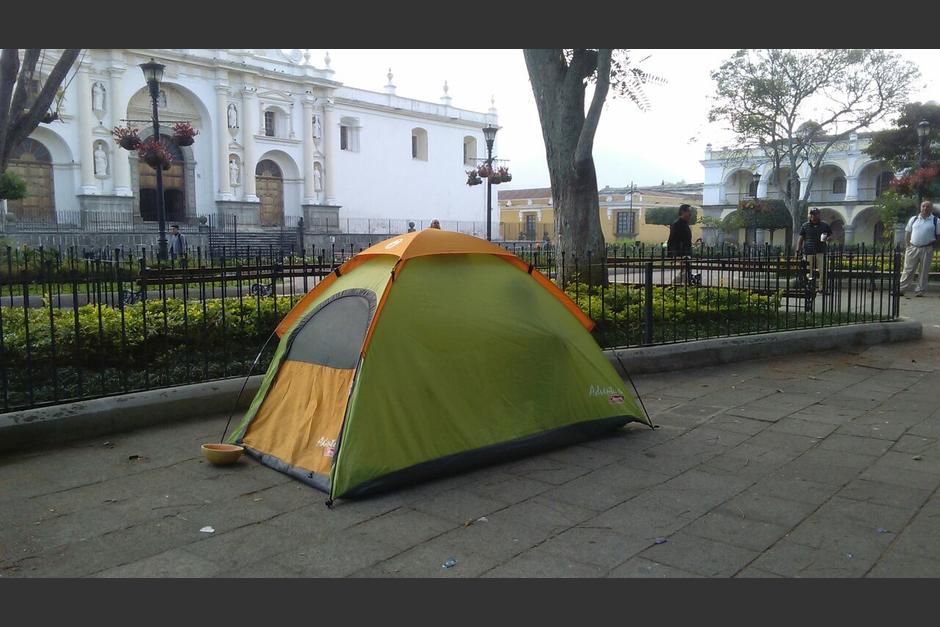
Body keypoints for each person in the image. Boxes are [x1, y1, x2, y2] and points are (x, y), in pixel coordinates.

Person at [899, 200, 940, 297]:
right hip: (912, 247)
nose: (925, 208)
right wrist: (907, 246)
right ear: (920, 207)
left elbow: (938, 236)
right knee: (908, 270)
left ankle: (920, 290)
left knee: (924, 270)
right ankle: (901, 289)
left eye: (928, 206)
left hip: (927, 248)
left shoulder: (936, 221)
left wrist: (932, 244)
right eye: (923, 206)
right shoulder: (913, 219)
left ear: (931, 208)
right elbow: (907, 233)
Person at [796, 208, 833, 294]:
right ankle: (809, 288)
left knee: (823, 271)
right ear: (810, 215)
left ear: (819, 215)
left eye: (816, 214)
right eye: (813, 214)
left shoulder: (825, 225)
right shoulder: (805, 226)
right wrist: (798, 250)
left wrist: (828, 238)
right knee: (809, 271)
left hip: (821, 250)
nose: (814, 216)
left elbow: (830, 235)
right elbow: (800, 238)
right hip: (809, 251)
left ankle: (822, 288)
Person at [667, 204, 694, 284]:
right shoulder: (677, 224)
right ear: (683, 212)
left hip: (685, 252)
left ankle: (675, 286)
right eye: (688, 211)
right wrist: (676, 253)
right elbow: (673, 239)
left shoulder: (685, 224)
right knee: (685, 271)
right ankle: (677, 286)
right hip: (681, 252)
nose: (690, 214)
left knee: (685, 271)